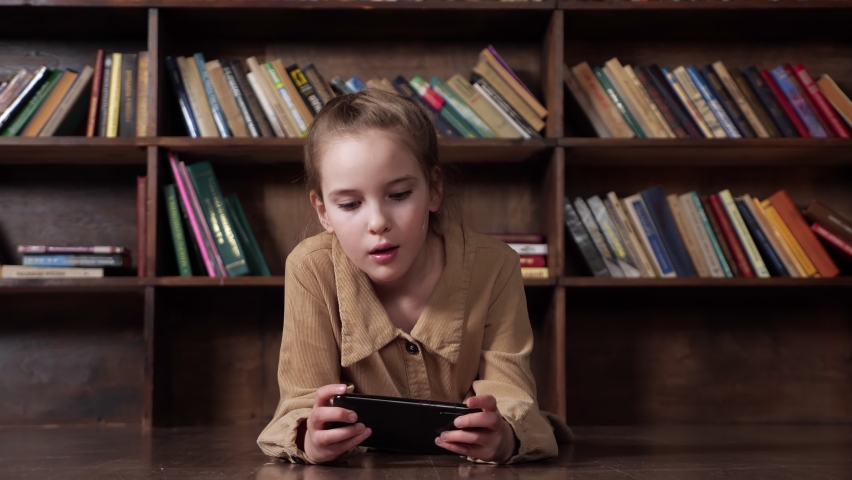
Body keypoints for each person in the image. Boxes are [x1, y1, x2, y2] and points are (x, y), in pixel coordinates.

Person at [257, 88, 572, 465]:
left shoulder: (496, 265)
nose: (377, 223)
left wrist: (504, 436)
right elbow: (300, 402)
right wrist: (310, 437)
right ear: (323, 212)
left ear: (434, 189)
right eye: (350, 204)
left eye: (400, 194)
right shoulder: (310, 267)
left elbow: (511, 394)